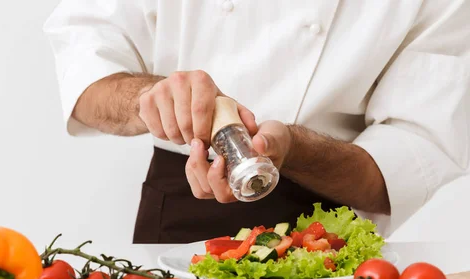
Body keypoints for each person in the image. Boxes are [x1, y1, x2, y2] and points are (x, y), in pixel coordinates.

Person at [43, 1, 469, 244]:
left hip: (327, 229)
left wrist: (295, 148)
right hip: (178, 214)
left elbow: (409, 165)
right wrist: (153, 99)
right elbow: (87, 78)